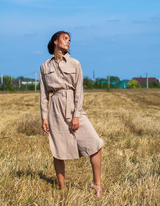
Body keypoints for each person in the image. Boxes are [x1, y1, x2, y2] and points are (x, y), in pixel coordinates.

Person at [40, 31, 104, 196]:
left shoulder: (75, 63)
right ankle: (62, 189)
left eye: (69, 39)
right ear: (55, 41)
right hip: (55, 107)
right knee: (57, 149)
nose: (68, 41)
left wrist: (76, 114)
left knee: (95, 144)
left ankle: (97, 185)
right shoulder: (45, 66)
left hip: (72, 105)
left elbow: (79, 91)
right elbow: (43, 95)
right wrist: (44, 117)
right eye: (65, 38)